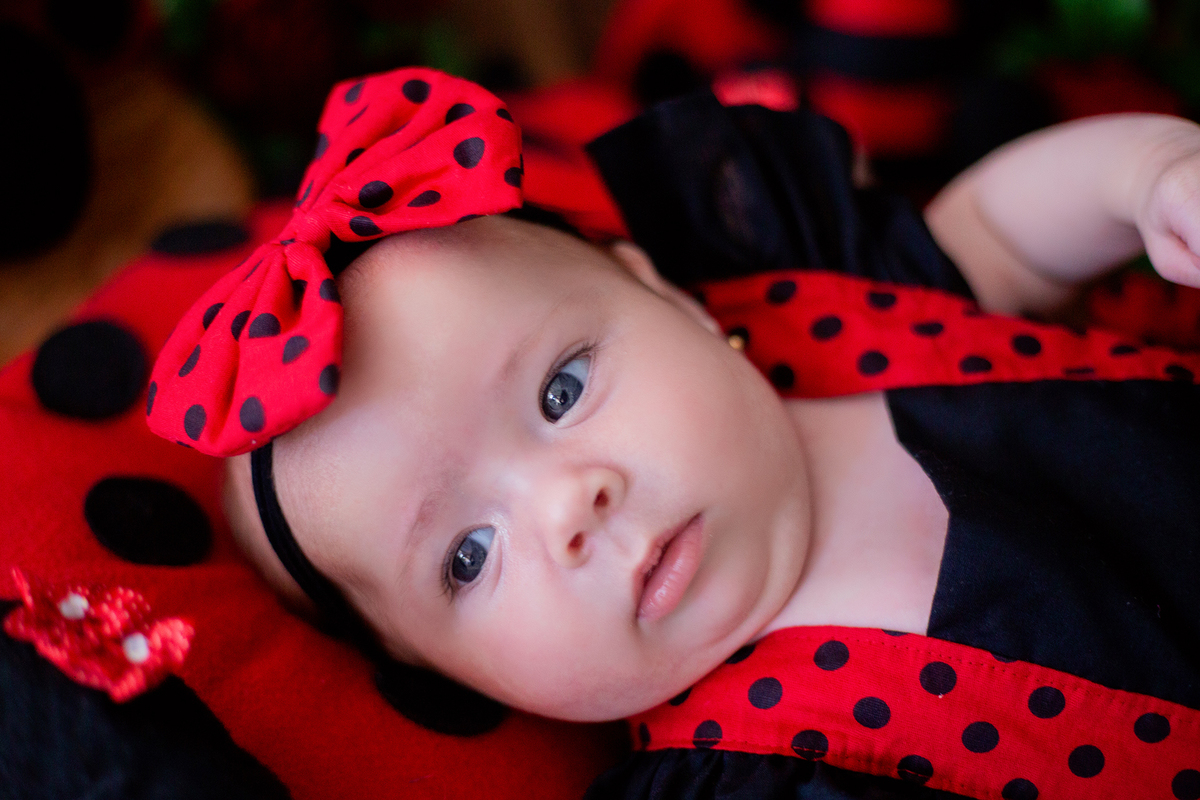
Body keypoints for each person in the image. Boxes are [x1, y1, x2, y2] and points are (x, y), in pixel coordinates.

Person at [148, 67, 1200, 798]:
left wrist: (1145, 178)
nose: (569, 503)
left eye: (561, 389)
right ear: (458, 680)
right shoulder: (756, 774)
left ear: (670, 295)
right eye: (467, 557)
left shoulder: (816, 293)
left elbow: (996, 235)